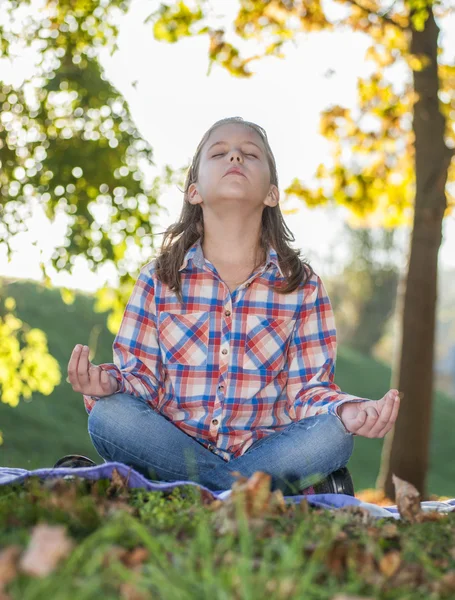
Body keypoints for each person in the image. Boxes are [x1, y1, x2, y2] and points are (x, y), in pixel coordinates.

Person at [59, 116, 401, 496]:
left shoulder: (302, 286)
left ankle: (179, 491)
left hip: (267, 453)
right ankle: (243, 494)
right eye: (219, 153)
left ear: (271, 193)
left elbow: (307, 391)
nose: (235, 157)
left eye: (249, 154)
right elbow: (141, 380)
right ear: (194, 191)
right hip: (174, 446)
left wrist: (348, 412)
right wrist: (108, 383)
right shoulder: (159, 278)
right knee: (110, 416)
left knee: (334, 437)